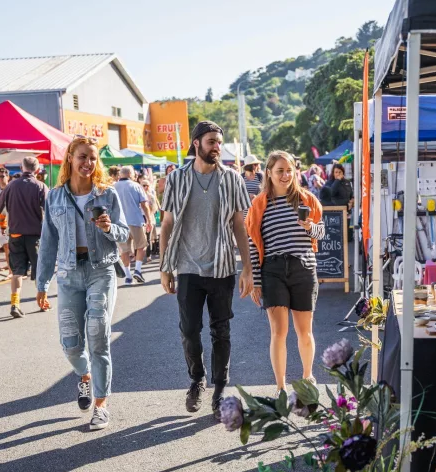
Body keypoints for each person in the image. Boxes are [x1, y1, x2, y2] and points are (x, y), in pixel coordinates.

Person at [158, 120, 253, 418]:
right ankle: (196, 379)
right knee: (189, 331)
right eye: (211, 141)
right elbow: (167, 224)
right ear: (196, 143)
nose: (217, 147)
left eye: (219, 142)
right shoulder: (176, 179)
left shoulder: (232, 178)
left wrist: (248, 268)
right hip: (187, 267)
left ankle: (220, 387)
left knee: (220, 331)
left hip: (222, 266)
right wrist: (165, 267)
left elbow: (240, 224)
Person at [36, 137, 129, 431]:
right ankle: (84, 376)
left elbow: (125, 233)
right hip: (68, 274)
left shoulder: (107, 195)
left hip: (101, 270)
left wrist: (109, 227)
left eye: (92, 158)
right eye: (82, 157)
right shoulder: (54, 197)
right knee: (71, 345)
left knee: (98, 334)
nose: (88, 163)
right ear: (70, 160)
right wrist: (41, 284)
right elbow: (48, 243)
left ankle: (101, 406)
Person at [245, 151, 324, 394]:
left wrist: (311, 227)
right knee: (279, 331)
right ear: (268, 173)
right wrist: (256, 281)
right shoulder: (260, 204)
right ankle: (280, 386)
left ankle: (308, 377)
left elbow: (321, 234)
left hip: (303, 267)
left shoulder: (306, 200)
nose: (285, 175)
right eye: (280, 171)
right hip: (273, 270)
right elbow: (253, 243)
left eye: (289, 170)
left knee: (305, 331)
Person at [0, 156, 49, 318]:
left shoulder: (11, 186)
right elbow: (50, 211)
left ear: (21, 168)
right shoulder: (41, 186)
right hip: (35, 236)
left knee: (17, 271)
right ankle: (42, 301)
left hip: (15, 234)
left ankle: (15, 304)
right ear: (37, 170)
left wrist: (3, 226)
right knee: (40, 271)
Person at [113, 165, 154, 284]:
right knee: (141, 246)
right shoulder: (136, 186)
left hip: (120, 223)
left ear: (121, 175)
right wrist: (149, 220)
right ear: (131, 175)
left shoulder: (113, 187)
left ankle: (128, 276)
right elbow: (144, 205)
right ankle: (138, 270)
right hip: (135, 221)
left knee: (124, 251)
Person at [0, 167, 12, 278]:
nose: (0, 179)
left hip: (10, 224)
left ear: (7, 177)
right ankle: (10, 268)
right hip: (0, 224)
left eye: (2, 176)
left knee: (9, 247)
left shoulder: (11, 189)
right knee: (6, 248)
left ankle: (12, 271)